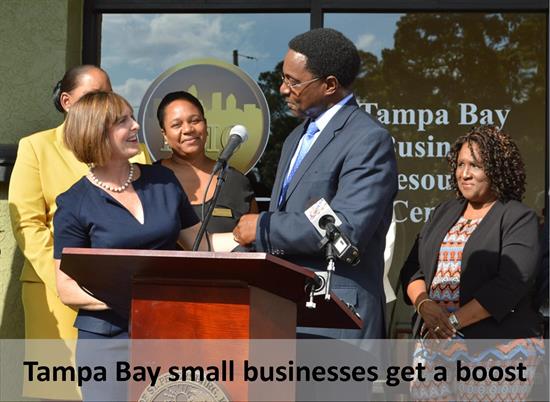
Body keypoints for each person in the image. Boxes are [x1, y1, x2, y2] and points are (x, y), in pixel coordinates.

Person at [52, 91, 234, 401]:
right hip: (109, 343)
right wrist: (138, 301)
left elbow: (201, 244)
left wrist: (254, 235)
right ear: (96, 132)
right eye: (123, 121)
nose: (135, 126)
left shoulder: (162, 180)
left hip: (171, 333)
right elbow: (67, 287)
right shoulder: (73, 203)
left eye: (132, 117)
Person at [232, 28, 398, 340]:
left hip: (339, 316)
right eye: (282, 77)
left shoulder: (368, 139)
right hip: (287, 312)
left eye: (293, 81)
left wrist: (263, 227)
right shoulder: (295, 138)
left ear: (330, 85)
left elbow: (346, 230)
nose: (283, 89)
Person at [8, 65, 150, 344]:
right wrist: (67, 280)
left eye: (108, 95)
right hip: (55, 288)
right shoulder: (37, 147)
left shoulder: (135, 151)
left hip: (124, 294)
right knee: (58, 372)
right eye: (93, 95)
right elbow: (27, 224)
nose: (103, 103)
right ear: (67, 101)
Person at [402, 125, 544, 401]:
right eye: (460, 164)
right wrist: (424, 304)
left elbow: (510, 284)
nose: (464, 173)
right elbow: (412, 268)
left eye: (475, 166)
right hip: (433, 349)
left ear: (497, 169)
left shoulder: (518, 217)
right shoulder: (443, 212)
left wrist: (450, 323)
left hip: (497, 351)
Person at [156, 91, 257, 233]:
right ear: (165, 135)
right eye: (177, 125)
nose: (188, 129)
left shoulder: (236, 182)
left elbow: (251, 238)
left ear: (206, 125)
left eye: (195, 121)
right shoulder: (151, 181)